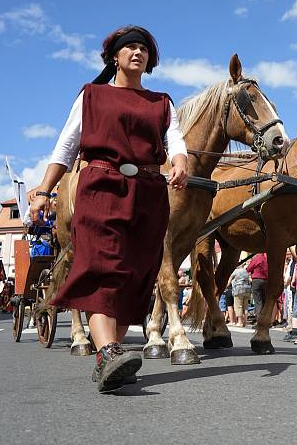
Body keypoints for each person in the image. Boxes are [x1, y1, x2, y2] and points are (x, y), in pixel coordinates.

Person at [29, 25, 189, 392]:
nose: (138, 53)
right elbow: (65, 147)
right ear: (114, 56)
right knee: (105, 264)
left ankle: (110, 355)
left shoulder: (161, 102)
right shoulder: (92, 96)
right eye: (130, 47)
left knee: (135, 272)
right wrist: (44, 191)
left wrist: (180, 160)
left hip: (149, 192)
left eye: (144, 49)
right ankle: (108, 352)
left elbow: (175, 138)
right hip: (101, 186)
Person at [228, 261, 252, 327]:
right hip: (247, 290)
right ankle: (245, 322)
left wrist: (226, 286)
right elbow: (250, 279)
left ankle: (240, 322)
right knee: (245, 306)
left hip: (238, 290)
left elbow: (229, 281)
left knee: (238, 306)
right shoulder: (246, 271)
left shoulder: (235, 271)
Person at [246, 252, 268, 320]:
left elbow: (248, 269)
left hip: (257, 280)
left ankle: (259, 321)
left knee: (258, 301)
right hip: (265, 280)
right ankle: (264, 319)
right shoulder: (266, 258)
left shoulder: (257, 258)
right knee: (264, 300)